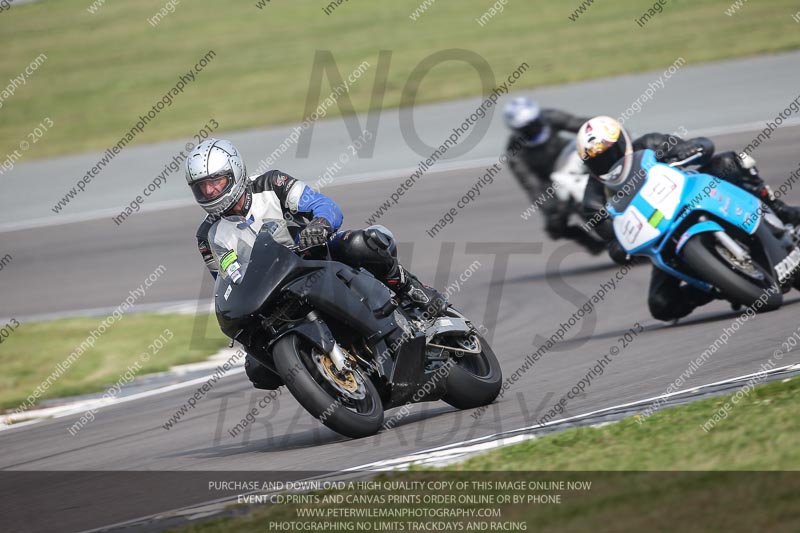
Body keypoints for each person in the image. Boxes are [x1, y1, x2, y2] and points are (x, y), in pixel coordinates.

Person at [187, 138, 445, 389]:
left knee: (359, 243)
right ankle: (319, 372)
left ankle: (408, 287)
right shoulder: (207, 235)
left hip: (314, 257)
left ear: (235, 172)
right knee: (257, 369)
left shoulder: (271, 183)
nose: (210, 191)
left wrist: (319, 224)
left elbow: (323, 204)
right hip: (272, 291)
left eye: (216, 182)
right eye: (202, 187)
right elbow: (228, 281)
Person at [577, 115, 800, 322]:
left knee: (729, 163)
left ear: (622, 142)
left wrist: (689, 150)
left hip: (691, 195)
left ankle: (778, 210)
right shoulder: (593, 198)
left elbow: (702, 145)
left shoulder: (649, 144)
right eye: (598, 160)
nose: (607, 163)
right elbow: (609, 235)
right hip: (662, 233)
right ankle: (722, 281)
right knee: (662, 305)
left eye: (610, 153)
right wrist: (618, 247)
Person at [503, 96, 605, 253]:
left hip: (571, 156)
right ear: (518, 130)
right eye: (528, 127)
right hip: (552, 181)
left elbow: (580, 124)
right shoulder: (514, 152)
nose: (534, 127)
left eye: (535, 121)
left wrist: (604, 129)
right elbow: (531, 184)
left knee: (602, 150)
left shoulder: (550, 116)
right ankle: (591, 242)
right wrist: (552, 210)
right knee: (554, 226)